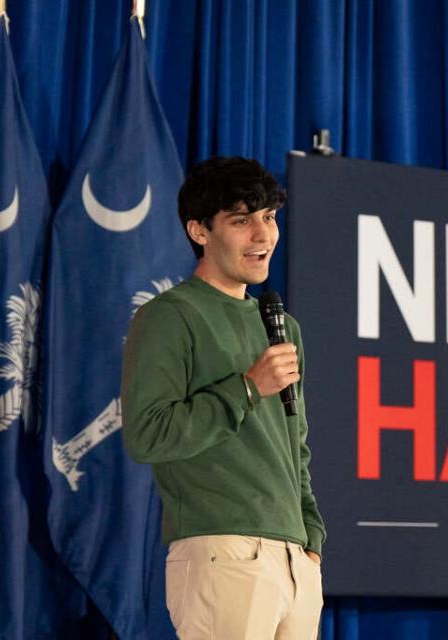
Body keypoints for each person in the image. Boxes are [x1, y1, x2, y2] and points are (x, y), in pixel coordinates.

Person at [121, 156, 326, 639]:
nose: (262, 235)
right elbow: (148, 435)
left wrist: (311, 534)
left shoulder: (281, 325)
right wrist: (248, 387)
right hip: (223, 550)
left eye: (269, 217)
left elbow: (296, 444)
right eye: (241, 220)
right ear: (199, 231)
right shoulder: (170, 316)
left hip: (295, 559)